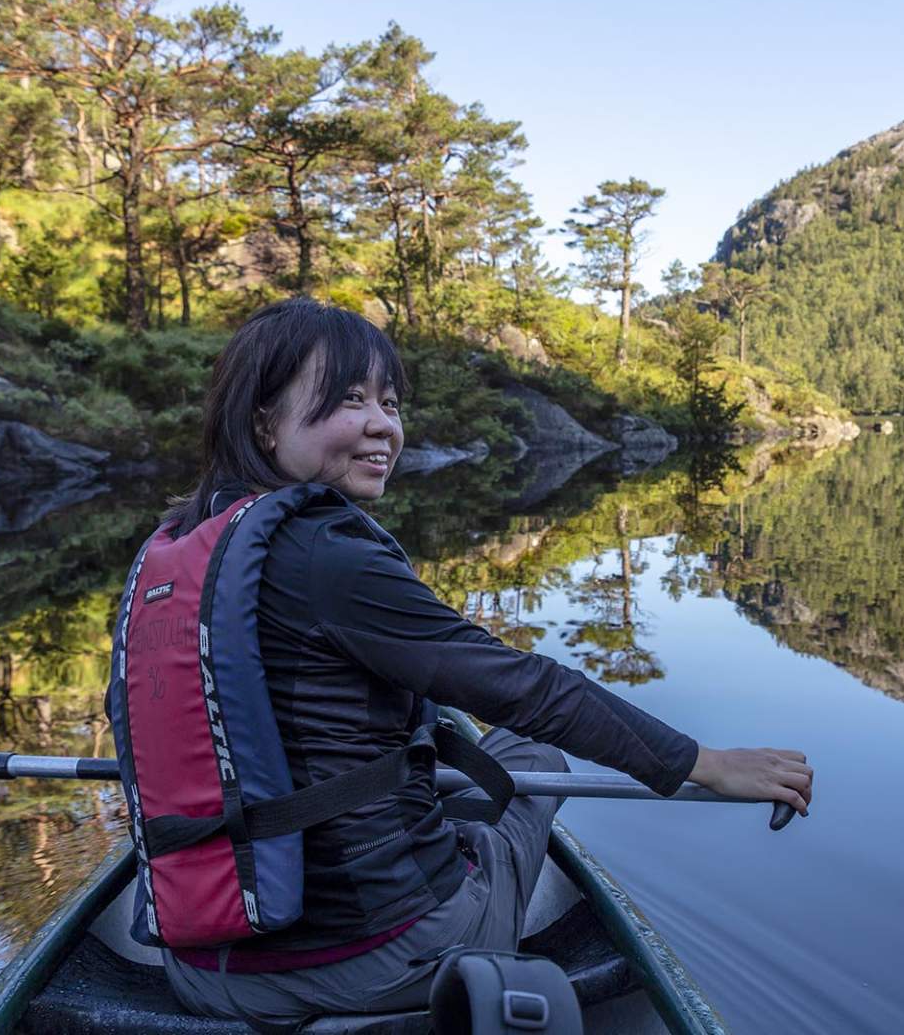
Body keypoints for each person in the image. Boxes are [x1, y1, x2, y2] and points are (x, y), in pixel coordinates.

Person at [147, 296, 813, 1030]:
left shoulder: (183, 549)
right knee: (536, 751)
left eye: (390, 402)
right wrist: (703, 761)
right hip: (372, 956)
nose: (383, 426)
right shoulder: (324, 555)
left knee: (428, 731)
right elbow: (527, 692)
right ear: (264, 421)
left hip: (202, 965)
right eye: (349, 400)